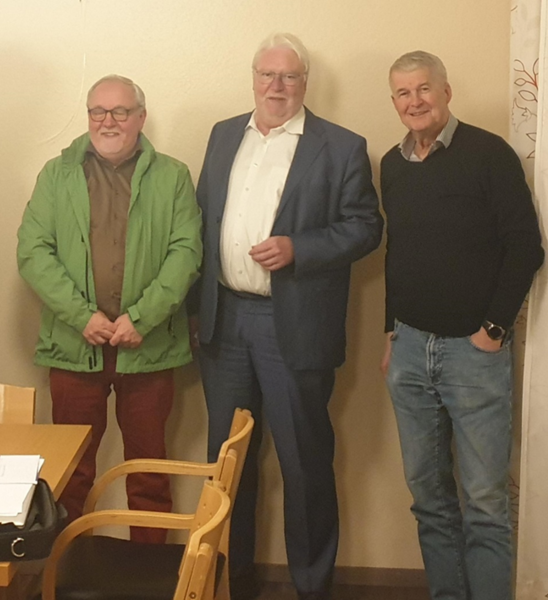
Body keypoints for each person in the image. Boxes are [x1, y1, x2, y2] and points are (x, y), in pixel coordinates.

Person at [192, 33, 382, 600]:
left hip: (292, 327)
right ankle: (232, 581)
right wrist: (195, 312)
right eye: (267, 75)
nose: (276, 86)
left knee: (304, 466)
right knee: (228, 464)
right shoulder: (224, 134)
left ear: (305, 82)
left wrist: (300, 248)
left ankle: (312, 588)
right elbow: (203, 220)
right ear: (253, 78)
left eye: (289, 76)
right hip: (225, 323)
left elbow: (366, 227)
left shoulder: (341, 146)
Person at [381, 51, 543, 600]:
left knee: (485, 504)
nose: (415, 101)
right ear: (394, 101)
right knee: (429, 500)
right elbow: (397, 250)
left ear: (446, 92)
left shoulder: (489, 154)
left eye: (424, 89)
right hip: (408, 352)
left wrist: (492, 330)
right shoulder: (393, 164)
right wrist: (390, 331)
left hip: (474, 356)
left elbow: (526, 247)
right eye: (403, 93)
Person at [17, 75, 202, 542]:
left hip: (149, 347)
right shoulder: (56, 175)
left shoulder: (173, 176)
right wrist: (83, 317)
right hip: (74, 345)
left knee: (148, 472)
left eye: (120, 111)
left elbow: (186, 254)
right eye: (98, 111)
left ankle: (147, 572)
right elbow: (33, 253)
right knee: (71, 473)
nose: (108, 121)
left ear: (141, 117)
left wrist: (142, 318)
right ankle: (66, 570)